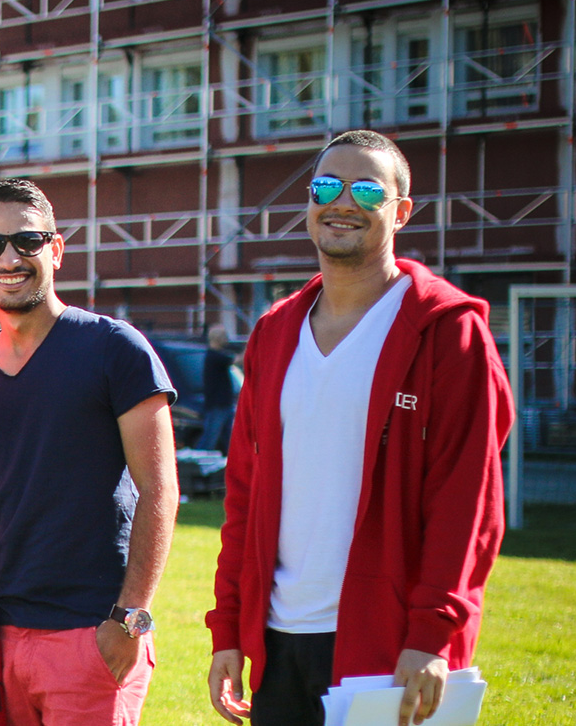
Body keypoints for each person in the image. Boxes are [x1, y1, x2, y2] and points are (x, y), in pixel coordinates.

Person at [205, 130, 511, 726]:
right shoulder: (274, 334)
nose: (342, 202)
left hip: (388, 641)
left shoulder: (449, 333)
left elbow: (468, 503)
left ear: (399, 212)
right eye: (327, 185)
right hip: (277, 640)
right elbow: (244, 496)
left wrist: (432, 636)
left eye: (367, 189)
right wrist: (228, 628)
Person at [0, 178, 179, 726]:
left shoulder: (115, 348)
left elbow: (161, 489)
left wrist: (129, 618)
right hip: (3, 632)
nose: (9, 258)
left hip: (94, 631)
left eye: (27, 242)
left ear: (56, 250)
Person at [195, 325, 238, 453]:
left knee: (228, 438)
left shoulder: (213, 356)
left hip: (222, 403)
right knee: (210, 438)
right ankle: (197, 464)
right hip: (217, 404)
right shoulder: (215, 357)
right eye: (224, 336)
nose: (227, 339)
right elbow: (237, 360)